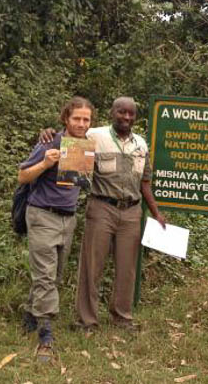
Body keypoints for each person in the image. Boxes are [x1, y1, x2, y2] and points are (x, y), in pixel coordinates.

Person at [42, 96, 165, 331]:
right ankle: (87, 320)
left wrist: (156, 213)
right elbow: (69, 138)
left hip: (131, 211)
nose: (126, 117)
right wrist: (48, 133)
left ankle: (122, 317)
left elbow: (145, 182)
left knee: (127, 268)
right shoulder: (94, 136)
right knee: (92, 265)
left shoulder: (140, 143)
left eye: (131, 114)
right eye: (122, 112)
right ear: (112, 112)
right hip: (101, 208)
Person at [18, 96, 95, 362]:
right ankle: (45, 337)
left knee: (54, 275)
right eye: (76, 118)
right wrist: (45, 164)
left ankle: (29, 315)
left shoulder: (87, 144)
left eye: (86, 119)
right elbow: (22, 175)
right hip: (42, 216)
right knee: (46, 278)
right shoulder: (49, 142)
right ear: (65, 119)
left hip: (68, 220)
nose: (81, 123)